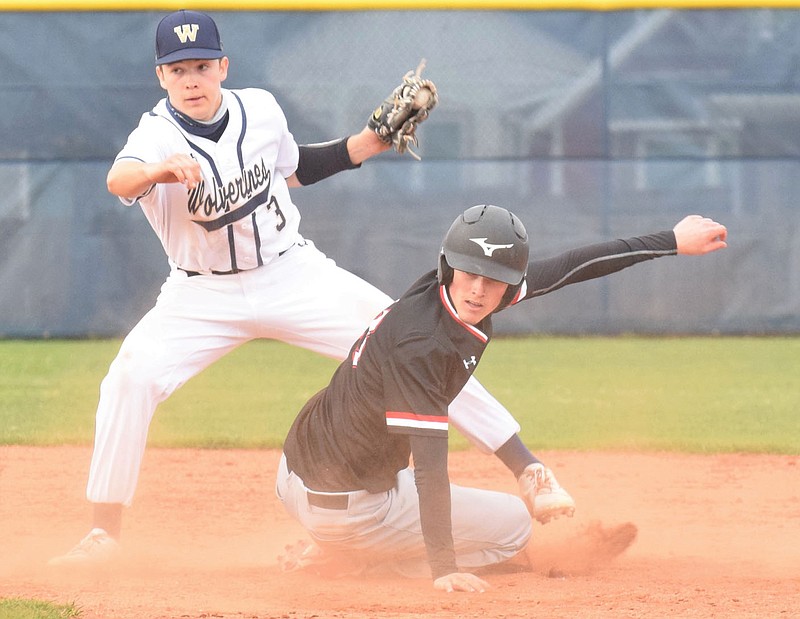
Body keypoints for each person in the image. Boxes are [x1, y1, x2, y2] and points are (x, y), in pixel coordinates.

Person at [48, 10, 573, 566]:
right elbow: (117, 179)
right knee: (128, 379)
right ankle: (105, 532)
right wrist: (157, 172)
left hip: (290, 273)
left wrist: (370, 141)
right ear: (161, 77)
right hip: (200, 295)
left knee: (417, 343)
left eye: (202, 65)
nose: (192, 79)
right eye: (178, 70)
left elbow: (297, 167)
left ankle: (528, 469)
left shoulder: (261, 111)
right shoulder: (154, 134)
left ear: (223, 66)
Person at [276, 205, 728, 592]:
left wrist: (671, 240)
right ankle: (358, 558)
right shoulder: (421, 346)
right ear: (451, 267)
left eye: (493, 280)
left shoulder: (442, 290)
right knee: (512, 526)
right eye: (471, 275)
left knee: (395, 471)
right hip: (344, 506)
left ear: (510, 283)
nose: (478, 289)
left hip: (296, 472)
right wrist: (444, 568)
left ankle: (341, 543)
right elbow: (431, 468)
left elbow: (574, 265)